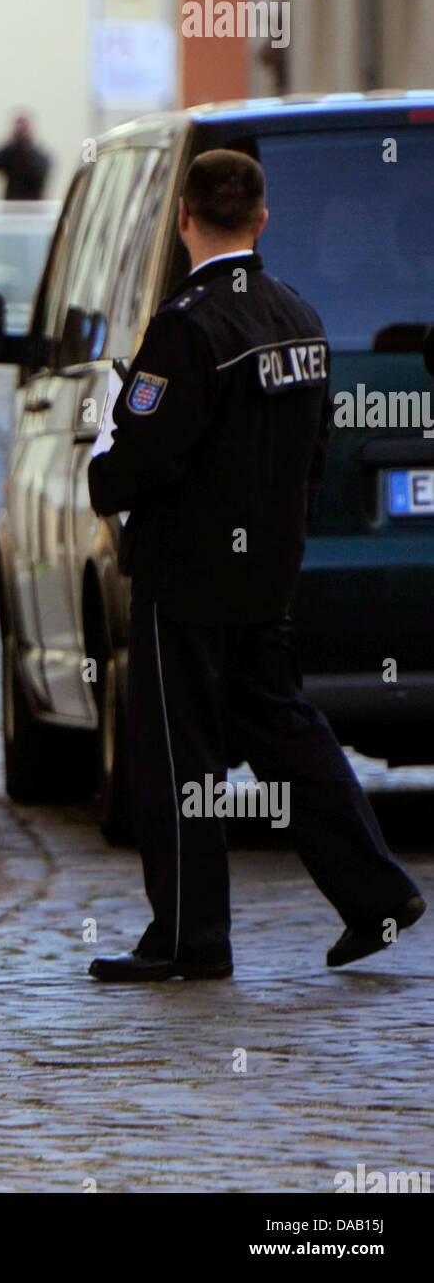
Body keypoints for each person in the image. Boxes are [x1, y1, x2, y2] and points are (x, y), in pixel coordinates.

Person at [86, 149, 424, 983]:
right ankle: (375, 892)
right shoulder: (300, 318)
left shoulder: (187, 325)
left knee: (177, 753)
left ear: (183, 218)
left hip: (185, 574)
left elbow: (142, 462)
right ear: (262, 220)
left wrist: (103, 460)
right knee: (285, 731)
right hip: (266, 574)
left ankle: (187, 937)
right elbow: (314, 455)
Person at [0, 114, 51, 201]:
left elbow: (39, 174)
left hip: (34, 205)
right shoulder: (10, 153)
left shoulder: (40, 156)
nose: (21, 133)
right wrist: (10, 145)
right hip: (11, 203)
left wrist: (27, 148)